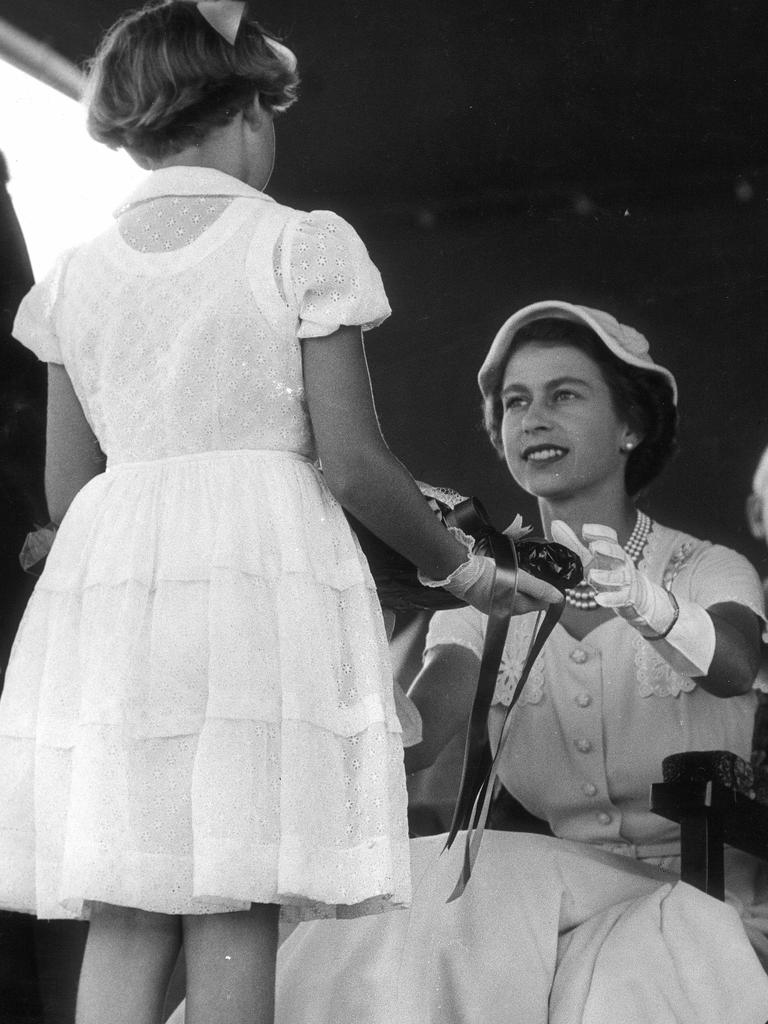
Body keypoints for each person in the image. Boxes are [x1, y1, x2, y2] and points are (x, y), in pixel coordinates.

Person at [0, 6, 563, 1024]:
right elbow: (354, 464)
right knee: (234, 894)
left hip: (119, 605)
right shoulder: (298, 244)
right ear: (251, 113)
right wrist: (469, 571)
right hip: (254, 591)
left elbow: (65, 490)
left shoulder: (76, 274)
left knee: (130, 903)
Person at [275, 301, 768, 1024]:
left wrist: (645, 602)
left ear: (631, 425)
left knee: (510, 904)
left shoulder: (705, 569)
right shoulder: (490, 593)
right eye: (515, 402)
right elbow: (420, 741)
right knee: (418, 891)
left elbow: (732, 664)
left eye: (565, 395)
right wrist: (354, 633)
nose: (534, 418)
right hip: (568, 892)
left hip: (711, 897)